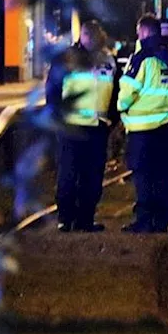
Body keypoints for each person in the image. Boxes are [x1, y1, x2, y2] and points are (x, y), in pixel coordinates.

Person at [45, 20, 119, 232]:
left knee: (92, 177)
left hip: (97, 127)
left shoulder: (108, 61)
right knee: (69, 174)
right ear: (83, 37)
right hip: (71, 127)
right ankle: (66, 219)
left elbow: (116, 91)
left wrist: (111, 118)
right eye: (90, 37)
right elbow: (53, 91)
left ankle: (85, 219)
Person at [117, 16, 168, 233]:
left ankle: (145, 221)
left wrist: (122, 107)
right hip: (166, 125)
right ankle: (161, 220)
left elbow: (128, 90)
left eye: (139, 32)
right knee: (163, 174)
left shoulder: (142, 58)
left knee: (144, 176)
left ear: (144, 32)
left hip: (141, 130)